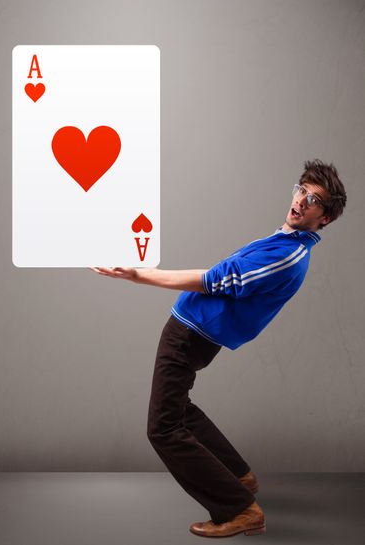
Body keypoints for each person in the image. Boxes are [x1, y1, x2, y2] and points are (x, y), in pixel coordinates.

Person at [91, 159, 346, 538]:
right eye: (301, 190)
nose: (301, 201)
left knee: (162, 428)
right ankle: (239, 475)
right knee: (181, 408)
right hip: (193, 329)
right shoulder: (286, 241)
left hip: (192, 334)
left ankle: (240, 509)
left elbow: (215, 280)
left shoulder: (286, 256)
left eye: (314, 200)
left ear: (324, 218)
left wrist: (138, 275)